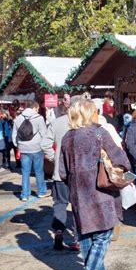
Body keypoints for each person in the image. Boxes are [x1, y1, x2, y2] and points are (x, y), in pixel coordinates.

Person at [59, 99, 131, 270]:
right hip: (101, 192)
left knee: (86, 236)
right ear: (91, 113)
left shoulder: (67, 137)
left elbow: (62, 172)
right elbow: (121, 159)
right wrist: (126, 173)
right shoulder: (99, 132)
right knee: (103, 235)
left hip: (77, 193)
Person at [41, 100, 80, 251]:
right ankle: (77, 238)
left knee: (60, 204)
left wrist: (54, 157)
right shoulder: (83, 122)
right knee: (78, 206)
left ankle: (58, 231)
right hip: (79, 173)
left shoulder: (57, 122)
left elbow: (45, 144)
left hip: (59, 172)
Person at [12, 101, 48, 201]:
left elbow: (14, 134)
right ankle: (41, 192)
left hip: (23, 148)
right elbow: (44, 133)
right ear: (35, 108)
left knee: (25, 172)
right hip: (37, 148)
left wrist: (18, 145)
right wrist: (44, 146)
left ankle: (25, 195)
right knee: (39, 171)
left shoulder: (18, 119)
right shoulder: (39, 118)